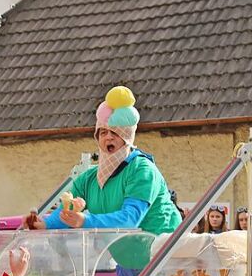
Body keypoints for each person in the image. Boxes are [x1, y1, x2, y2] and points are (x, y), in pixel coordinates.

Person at [28, 86, 181, 235]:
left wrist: (85, 221)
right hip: (128, 255)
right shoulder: (88, 179)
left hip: (164, 252)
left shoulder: (142, 170)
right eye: (103, 132)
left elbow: (129, 220)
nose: (108, 137)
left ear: (127, 138)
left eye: (115, 132)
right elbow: (65, 212)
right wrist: (42, 225)